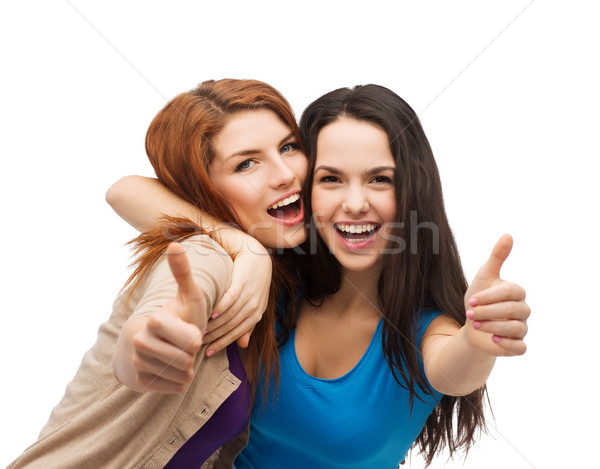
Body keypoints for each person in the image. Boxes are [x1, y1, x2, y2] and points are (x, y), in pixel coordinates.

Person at [111, 84, 530, 468]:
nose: (354, 203)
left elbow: (456, 370)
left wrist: (478, 340)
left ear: (412, 191)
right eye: (330, 179)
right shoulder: (268, 281)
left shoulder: (420, 332)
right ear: (306, 187)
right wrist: (247, 247)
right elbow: (125, 191)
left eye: (379, 180)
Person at [7, 78, 307, 469]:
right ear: (203, 188)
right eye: (246, 164)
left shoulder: (281, 275)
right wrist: (148, 346)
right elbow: (156, 323)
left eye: (288, 147)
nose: (284, 173)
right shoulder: (205, 256)